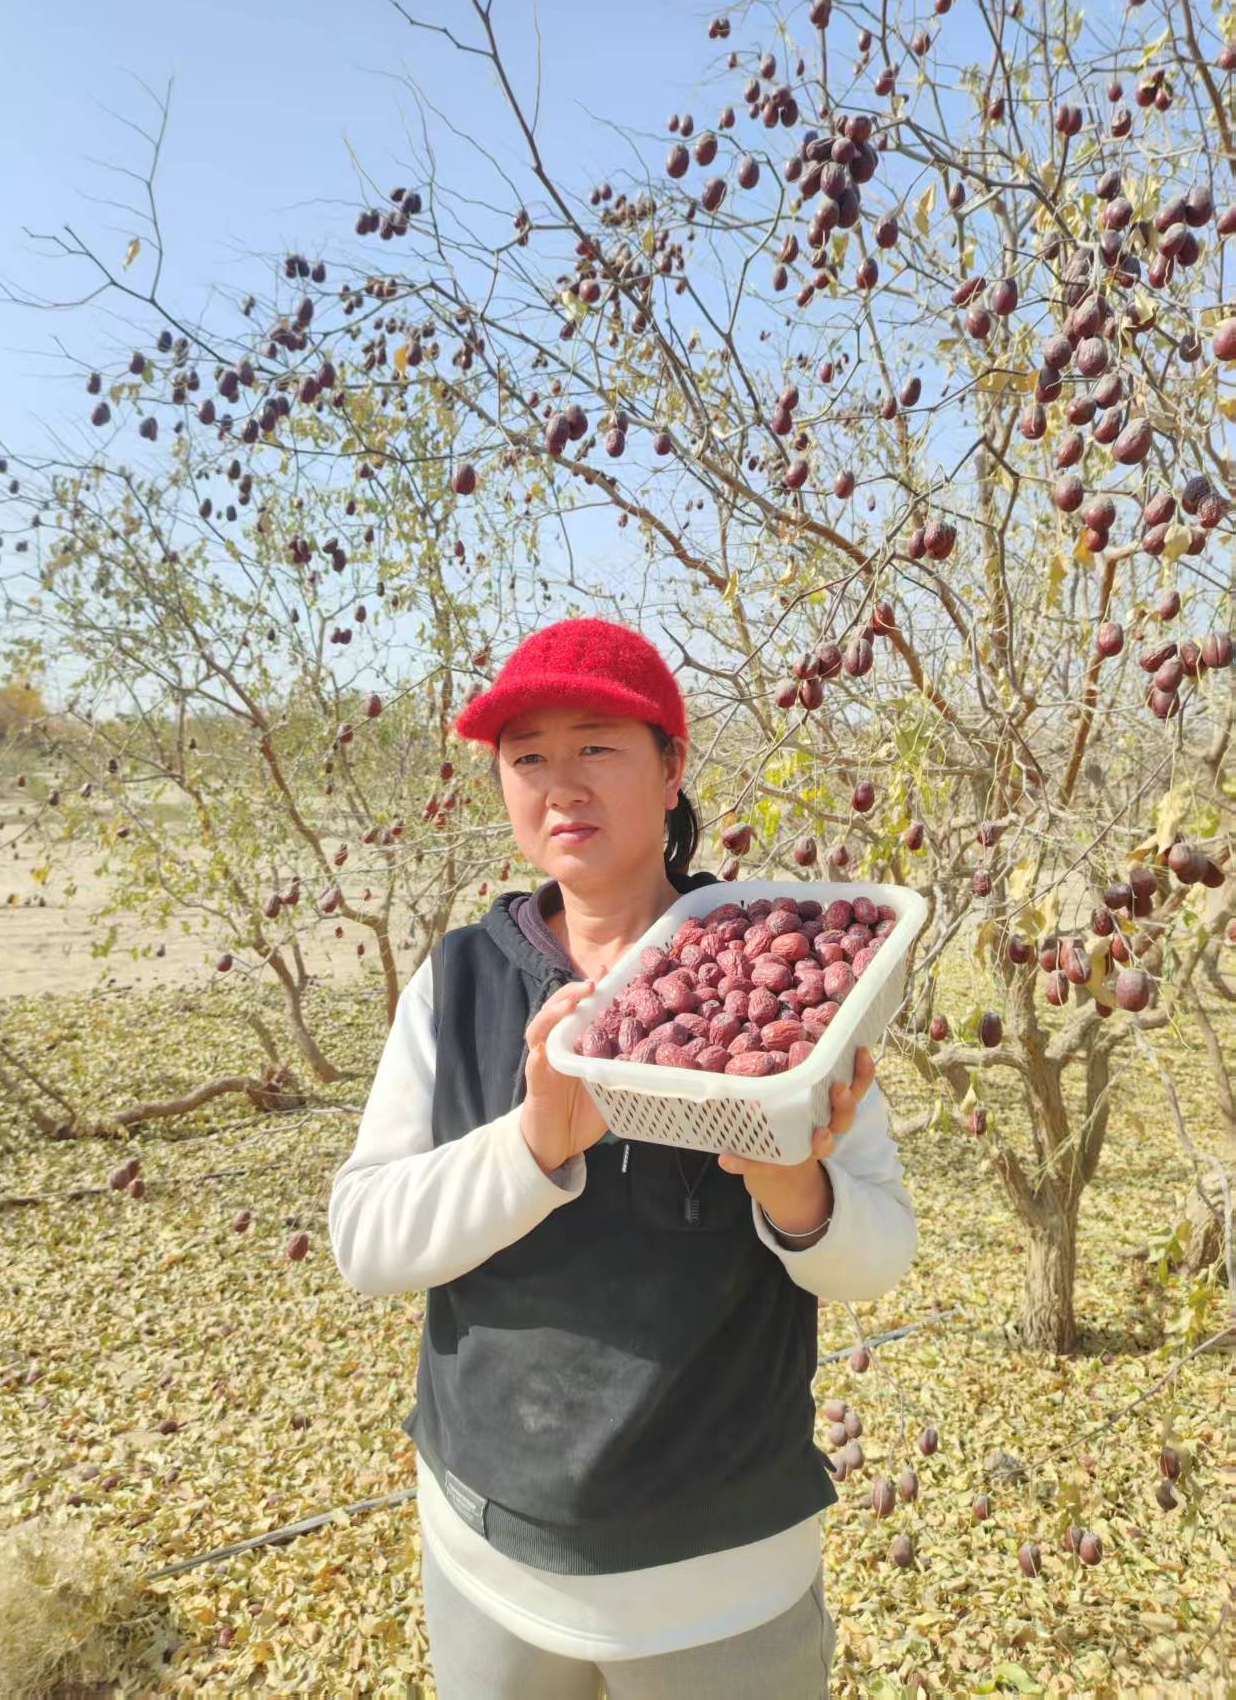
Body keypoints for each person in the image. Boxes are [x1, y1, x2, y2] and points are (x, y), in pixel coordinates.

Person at [328, 616, 918, 1699]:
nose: (563, 786)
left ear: (671, 765)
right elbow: (364, 1240)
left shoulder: (780, 966)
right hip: (487, 1554)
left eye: (597, 746)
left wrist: (796, 1186)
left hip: (721, 1584)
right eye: (528, 757)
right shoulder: (460, 977)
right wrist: (533, 1142)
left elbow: (877, 1253)